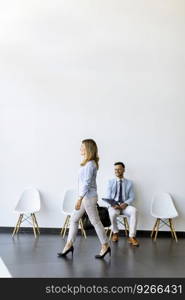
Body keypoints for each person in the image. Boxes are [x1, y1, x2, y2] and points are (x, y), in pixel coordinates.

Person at [57, 139, 111, 259]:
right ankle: (69, 245)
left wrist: (79, 199)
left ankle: (105, 245)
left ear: (88, 148)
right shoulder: (87, 163)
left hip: (88, 198)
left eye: (82, 147)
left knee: (95, 222)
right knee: (74, 219)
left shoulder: (90, 164)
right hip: (85, 197)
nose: (80, 149)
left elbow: (86, 183)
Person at [105, 162, 139, 246]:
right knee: (112, 214)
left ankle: (131, 236)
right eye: (115, 169)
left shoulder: (129, 183)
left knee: (134, 210)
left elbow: (132, 197)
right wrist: (113, 205)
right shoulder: (110, 182)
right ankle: (115, 233)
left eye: (119, 169)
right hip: (114, 206)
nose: (117, 171)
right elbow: (108, 196)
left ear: (123, 170)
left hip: (124, 206)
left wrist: (126, 204)